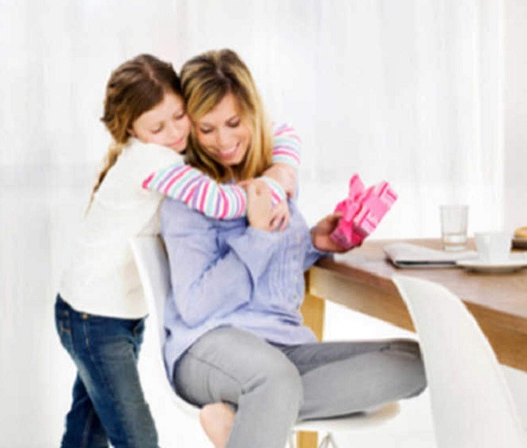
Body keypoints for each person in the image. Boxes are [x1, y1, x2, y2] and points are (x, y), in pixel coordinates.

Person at [159, 49, 427, 448]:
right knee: (273, 380)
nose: (224, 141)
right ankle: (263, 402)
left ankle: (251, 415)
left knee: (416, 362)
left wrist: (315, 242)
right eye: (207, 129)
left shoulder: (274, 178)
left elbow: (273, 269)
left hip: (283, 345)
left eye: (233, 123)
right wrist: (257, 235)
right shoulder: (190, 198)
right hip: (209, 345)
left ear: (253, 114)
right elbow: (197, 305)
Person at [54, 54, 301, 448]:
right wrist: (270, 189)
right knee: (136, 437)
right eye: (157, 127)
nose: (173, 133)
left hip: (112, 313)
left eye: (179, 116)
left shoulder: (170, 152)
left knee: (89, 428)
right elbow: (220, 203)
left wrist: (282, 169)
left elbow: (282, 131)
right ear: (132, 131)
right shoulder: (151, 160)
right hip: (93, 317)